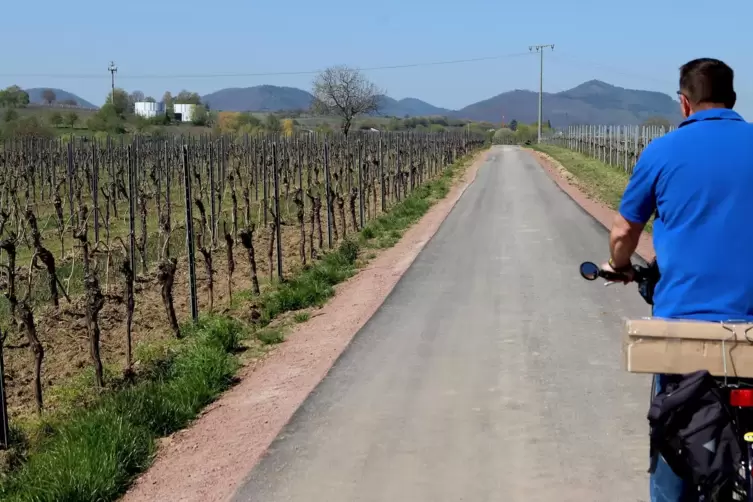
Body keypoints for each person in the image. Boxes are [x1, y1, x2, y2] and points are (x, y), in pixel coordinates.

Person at [601, 58, 753, 502]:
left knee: (675, 446)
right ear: (734, 100)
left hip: (687, 333)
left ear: (684, 103)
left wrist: (618, 264)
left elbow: (623, 231)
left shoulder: (663, 152)